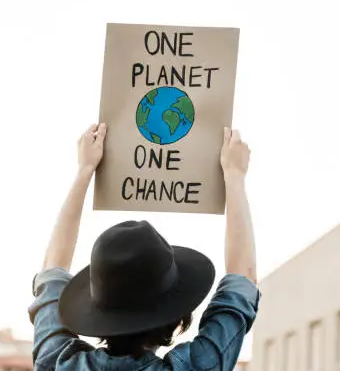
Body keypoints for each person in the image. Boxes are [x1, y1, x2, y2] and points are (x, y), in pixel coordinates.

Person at [29, 122, 261, 370]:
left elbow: (52, 270)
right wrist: (234, 176)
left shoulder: (55, 363)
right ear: (177, 318)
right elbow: (241, 280)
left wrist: (85, 169)